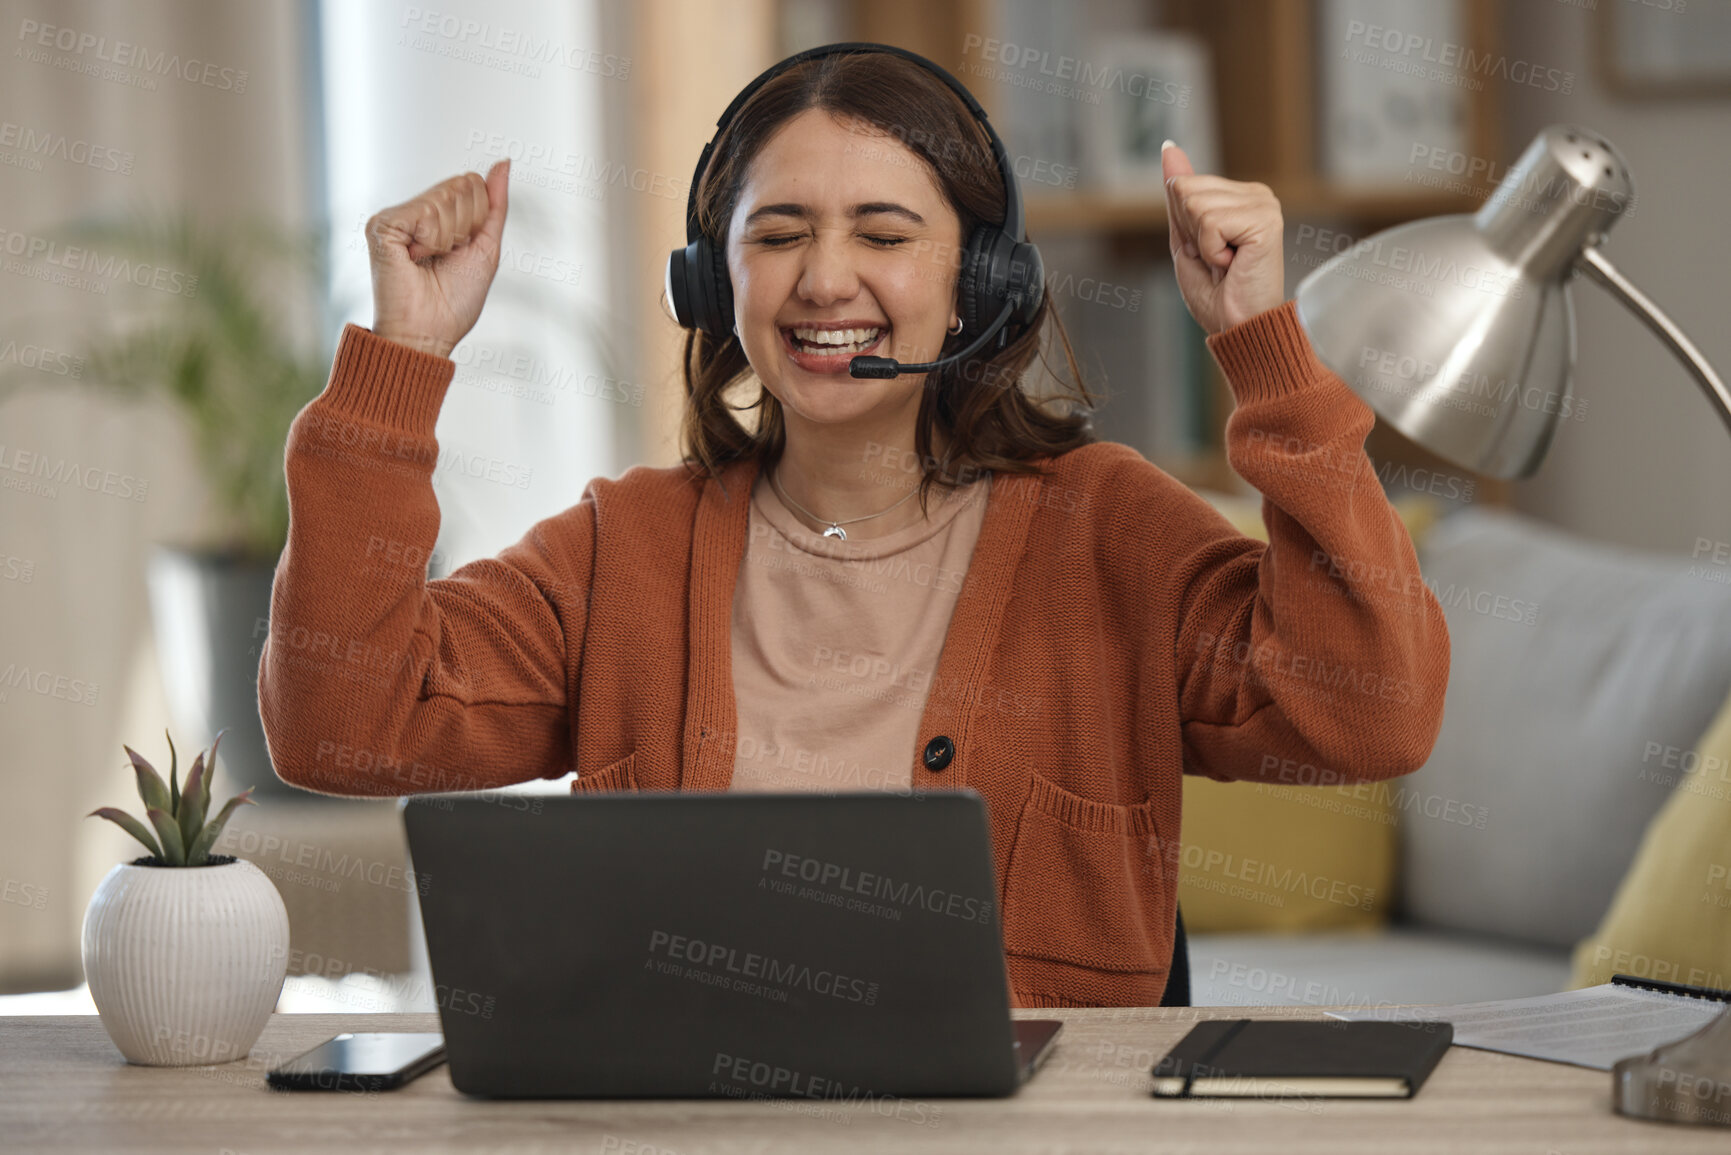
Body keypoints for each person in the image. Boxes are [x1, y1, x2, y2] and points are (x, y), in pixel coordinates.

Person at [259, 47, 1449, 1008]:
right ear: (711, 283)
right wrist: (401, 361)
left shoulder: (1109, 531)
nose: (826, 282)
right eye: (778, 236)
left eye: (884, 235)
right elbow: (343, 725)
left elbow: (1368, 712)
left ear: (978, 282)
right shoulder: (624, 549)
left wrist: (1265, 351)